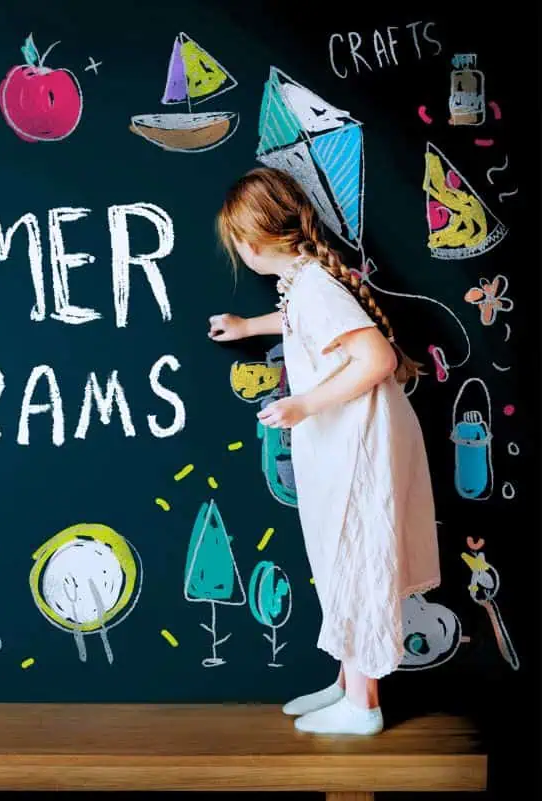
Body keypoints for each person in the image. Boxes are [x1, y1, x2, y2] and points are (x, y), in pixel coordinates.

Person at [208, 167, 440, 736]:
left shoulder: (313, 286)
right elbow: (301, 323)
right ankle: (346, 683)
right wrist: (247, 326)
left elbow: (377, 360)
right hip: (351, 440)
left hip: (359, 441)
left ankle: (363, 703)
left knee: (357, 558)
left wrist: (302, 405)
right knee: (342, 557)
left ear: (252, 240)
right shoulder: (305, 283)